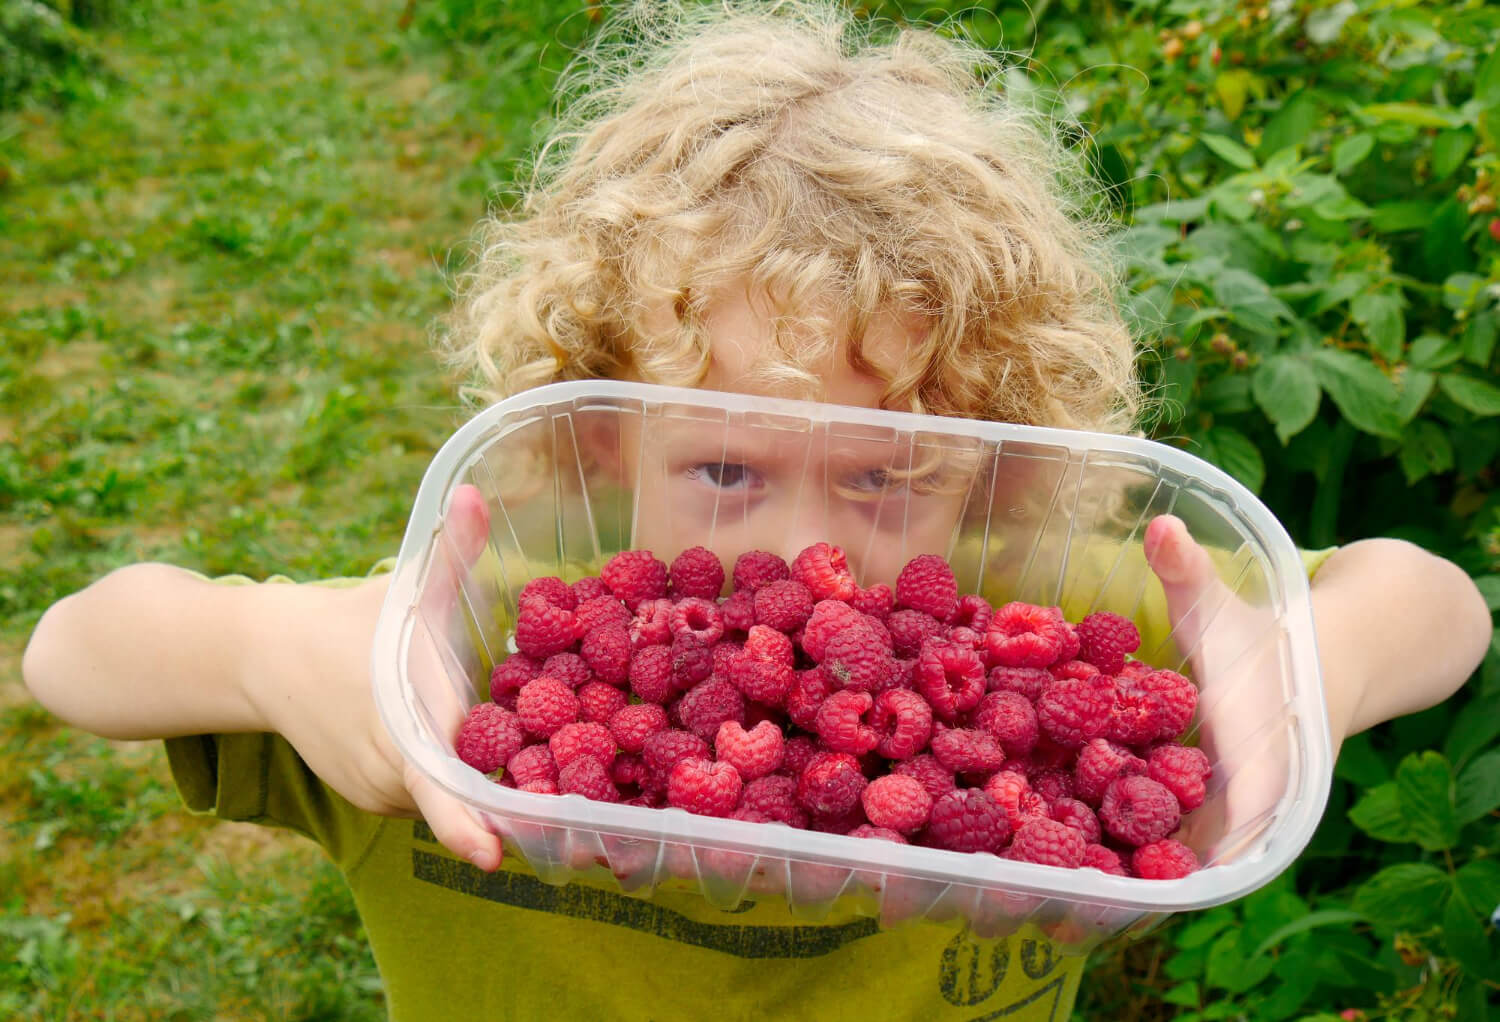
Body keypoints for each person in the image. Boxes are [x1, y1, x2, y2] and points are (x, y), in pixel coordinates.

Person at [20, 2, 1491, 1020]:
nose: (810, 546)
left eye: (881, 473)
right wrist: (274, 638)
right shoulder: (441, 663)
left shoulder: (1061, 628)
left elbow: (1436, 599)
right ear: (597, 437)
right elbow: (75, 653)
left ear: (997, 469)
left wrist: (1309, 665)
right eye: (727, 467)